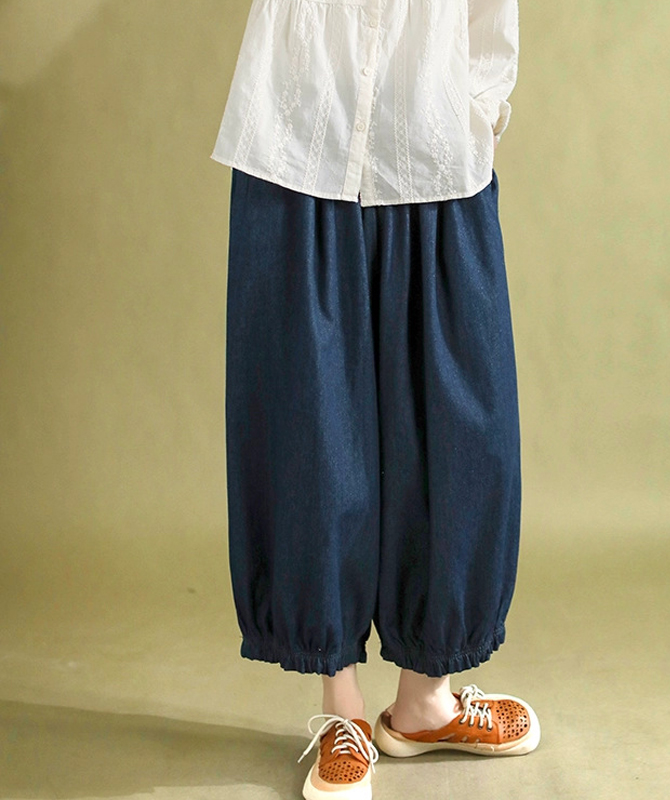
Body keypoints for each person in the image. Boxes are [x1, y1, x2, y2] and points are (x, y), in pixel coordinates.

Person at [211, 1, 540, 797]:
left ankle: (425, 702)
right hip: (297, 135)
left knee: (461, 426)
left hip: (432, 135)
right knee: (310, 428)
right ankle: (343, 713)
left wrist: (478, 107)